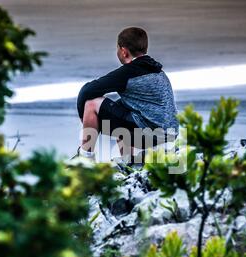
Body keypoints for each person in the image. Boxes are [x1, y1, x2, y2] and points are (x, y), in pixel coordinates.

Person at [74, 27, 178, 163]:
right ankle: (128, 161)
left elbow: (87, 91)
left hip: (151, 134)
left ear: (123, 51)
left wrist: (85, 116)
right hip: (169, 133)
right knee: (121, 107)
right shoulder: (157, 70)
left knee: (91, 103)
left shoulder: (128, 73)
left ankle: (85, 158)